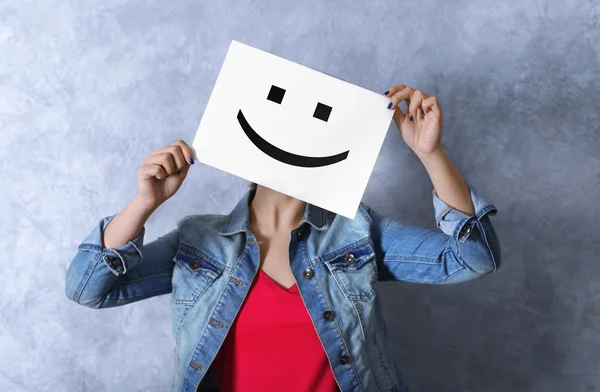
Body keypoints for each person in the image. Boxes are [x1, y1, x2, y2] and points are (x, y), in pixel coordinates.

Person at [65, 83, 501, 392]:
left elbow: (471, 258)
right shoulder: (198, 241)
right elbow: (88, 289)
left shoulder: (354, 233)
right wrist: (145, 202)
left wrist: (431, 155)